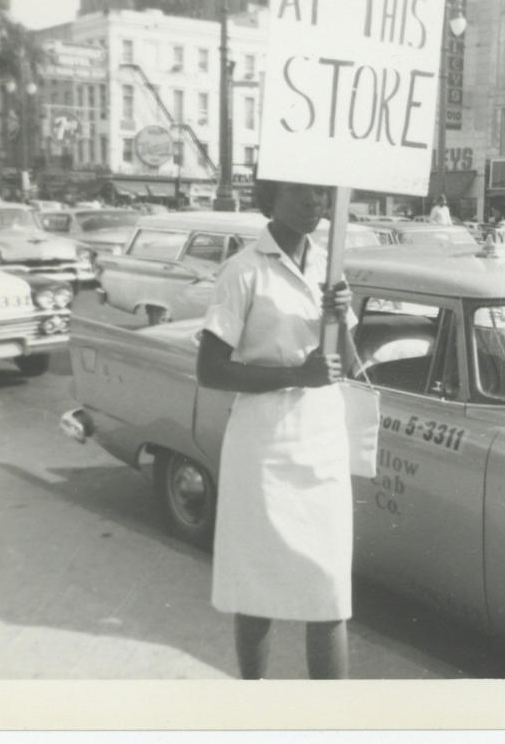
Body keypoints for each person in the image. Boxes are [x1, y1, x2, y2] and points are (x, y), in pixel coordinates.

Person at [196, 179, 357, 680]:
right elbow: (210, 370)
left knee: (328, 592)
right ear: (271, 199)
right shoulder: (242, 271)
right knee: (258, 587)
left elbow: (346, 367)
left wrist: (342, 321)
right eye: (301, 192)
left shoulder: (329, 270)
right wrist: (294, 375)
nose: (315, 202)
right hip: (263, 444)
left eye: (320, 193)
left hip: (322, 438)